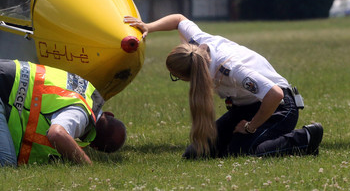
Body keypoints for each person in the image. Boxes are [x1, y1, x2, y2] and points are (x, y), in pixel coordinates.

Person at [124, 14, 323, 158]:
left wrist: (250, 127)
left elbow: (275, 94)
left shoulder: (231, 68)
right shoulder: (198, 43)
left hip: (278, 108)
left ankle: (305, 138)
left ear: (192, 76)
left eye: (177, 77)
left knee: (241, 152)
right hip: (246, 107)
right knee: (196, 153)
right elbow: (179, 20)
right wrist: (148, 26)